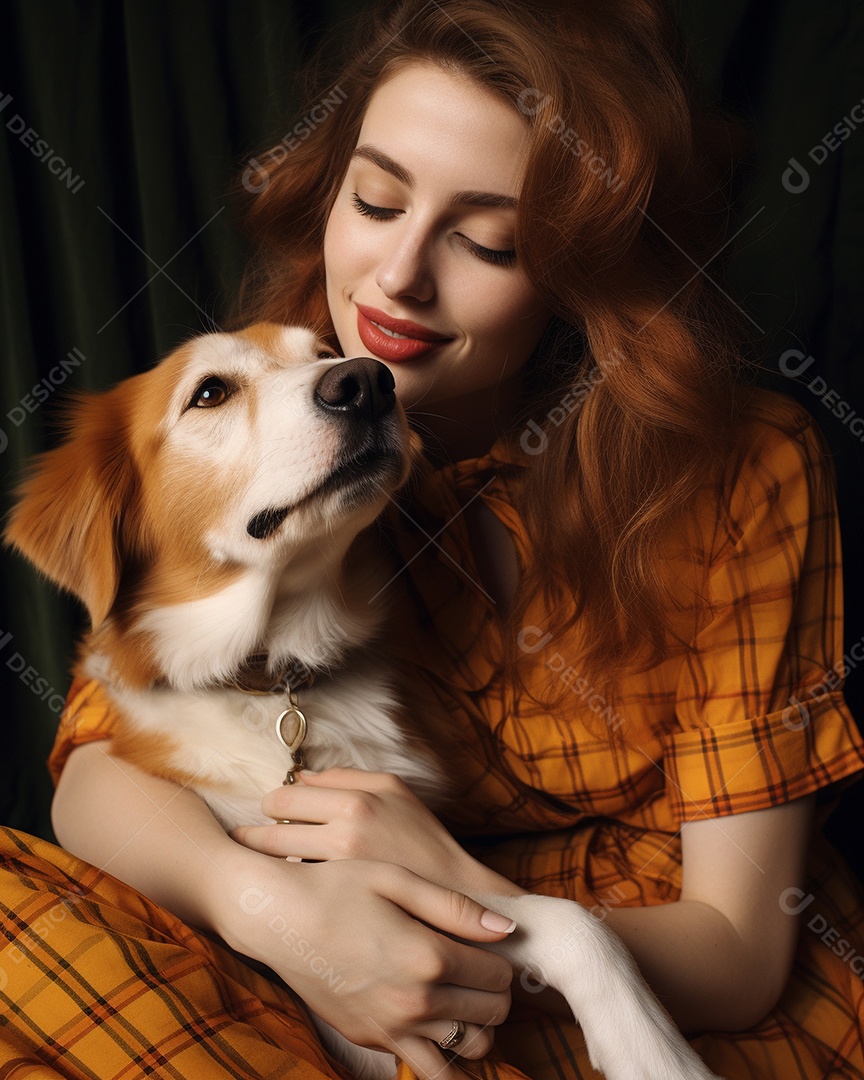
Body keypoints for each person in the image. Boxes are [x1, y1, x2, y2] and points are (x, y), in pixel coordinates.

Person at [2, 0, 863, 1077]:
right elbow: (106, 749)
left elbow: (738, 953)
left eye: (488, 239)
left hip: (652, 970)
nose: (398, 279)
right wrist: (272, 913)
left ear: (583, 274)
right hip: (320, 944)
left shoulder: (745, 472)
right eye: (374, 199)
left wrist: (478, 911)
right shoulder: (294, 420)